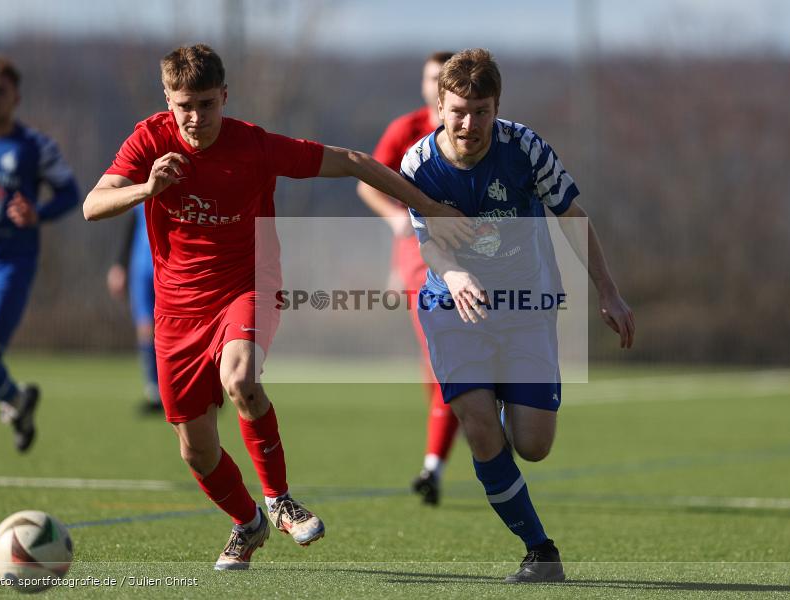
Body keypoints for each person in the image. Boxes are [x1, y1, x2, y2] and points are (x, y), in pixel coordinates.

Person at [83, 44, 468, 571]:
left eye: (206, 104)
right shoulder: (149, 140)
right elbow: (92, 205)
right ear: (167, 101)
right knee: (195, 451)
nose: (195, 118)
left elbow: (352, 162)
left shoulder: (256, 147)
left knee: (239, 379)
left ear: (224, 96)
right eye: (183, 106)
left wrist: (427, 207)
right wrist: (148, 188)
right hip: (176, 312)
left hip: (248, 286)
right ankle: (247, 523)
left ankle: (279, 499)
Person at [401, 49, 635, 583]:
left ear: (496, 108)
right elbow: (429, 245)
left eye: (481, 111)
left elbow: (574, 218)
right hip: (452, 306)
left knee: (533, 445)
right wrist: (454, 275)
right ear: (440, 106)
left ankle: (509, 405)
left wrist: (610, 292)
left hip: (528, 305)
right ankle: (540, 550)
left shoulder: (526, 149)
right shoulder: (417, 165)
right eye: (459, 110)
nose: (469, 123)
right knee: (481, 428)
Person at [356, 51, 458, 506]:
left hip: (474, 258)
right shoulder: (406, 130)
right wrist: (397, 221)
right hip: (420, 258)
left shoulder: (477, 131)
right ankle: (435, 463)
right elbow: (366, 184)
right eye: (431, 77)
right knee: (441, 359)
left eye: (445, 78)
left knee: (449, 361)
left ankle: (438, 459)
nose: (436, 85)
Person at [0, 54, 80, 477]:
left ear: (15, 96)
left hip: (9, 268)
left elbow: (70, 194)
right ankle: (16, 400)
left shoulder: (35, 147)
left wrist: (38, 212)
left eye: (0, 91)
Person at [106, 203, 162, 413]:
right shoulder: (142, 190)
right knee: (146, 328)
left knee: (184, 327)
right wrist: (119, 265)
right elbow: (131, 227)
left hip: (170, 266)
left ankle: (203, 389)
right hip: (141, 268)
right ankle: (154, 391)